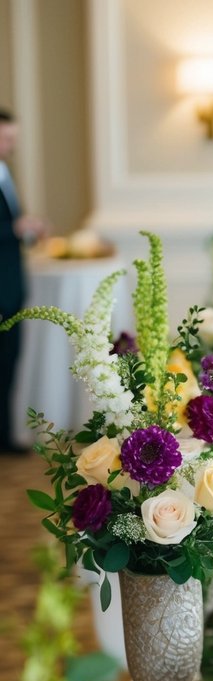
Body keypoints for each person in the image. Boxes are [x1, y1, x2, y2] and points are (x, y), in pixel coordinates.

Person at [0, 108, 46, 452]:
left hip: (12, 285)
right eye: (5, 137)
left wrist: (28, 232)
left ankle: (4, 435)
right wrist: (14, 228)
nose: (9, 145)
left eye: (12, 138)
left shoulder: (5, 171)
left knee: (8, 363)